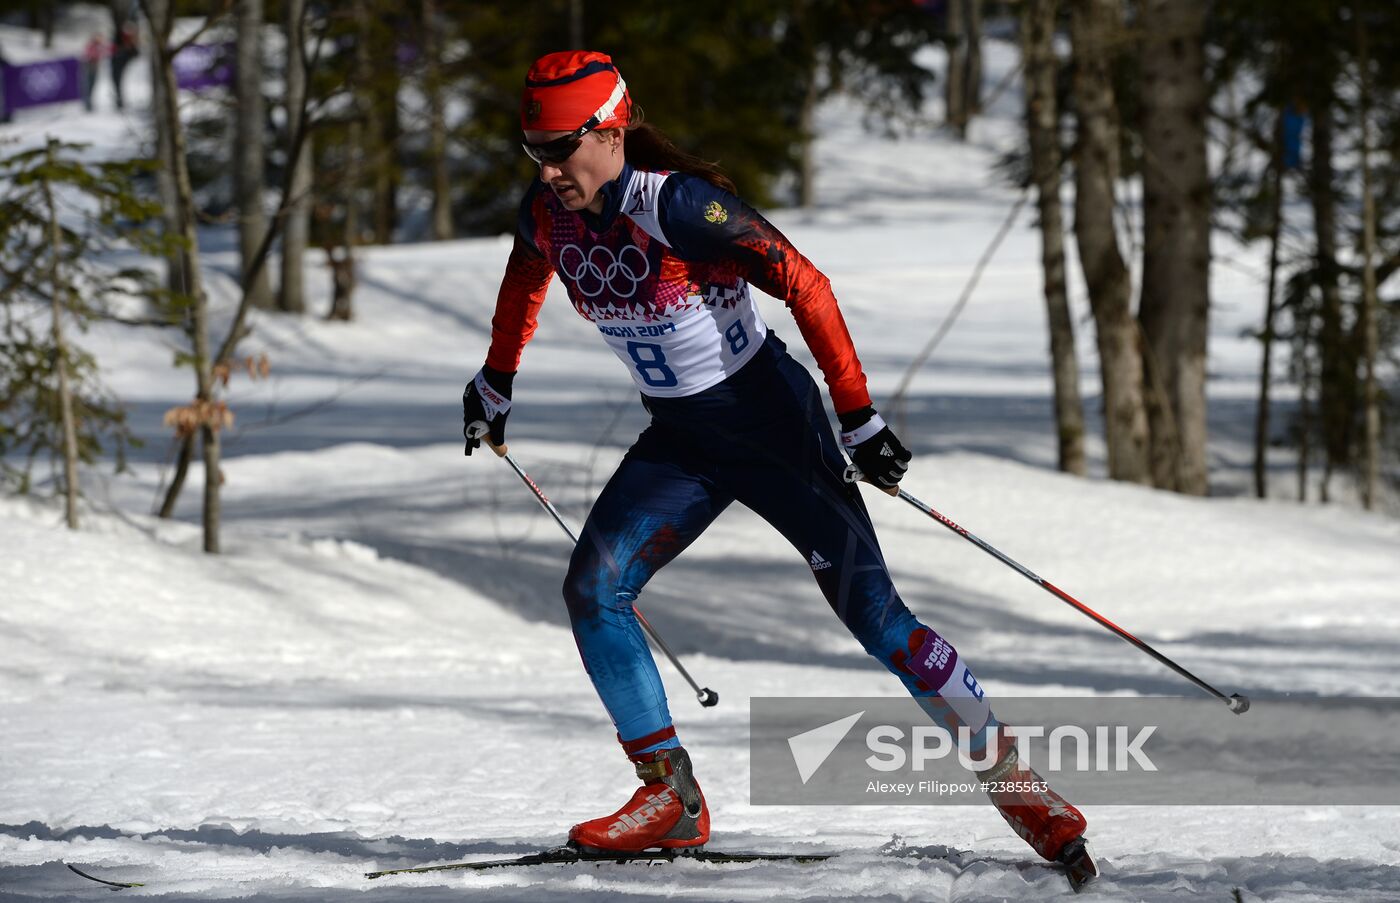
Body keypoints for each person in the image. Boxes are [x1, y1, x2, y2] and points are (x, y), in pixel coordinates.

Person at [463, 50, 1095, 887]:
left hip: (774, 428)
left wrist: (859, 414)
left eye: (561, 147)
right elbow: (524, 276)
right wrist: (496, 377)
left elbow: (805, 281)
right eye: (533, 150)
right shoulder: (549, 210)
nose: (547, 169)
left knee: (877, 619)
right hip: (683, 441)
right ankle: (671, 796)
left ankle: (1021, 787)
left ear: (611, 130)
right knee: (593, 586)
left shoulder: (680, 206)